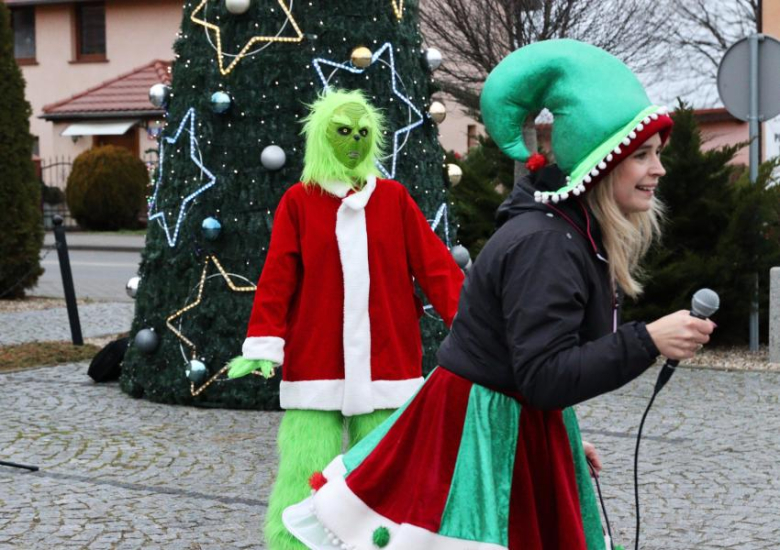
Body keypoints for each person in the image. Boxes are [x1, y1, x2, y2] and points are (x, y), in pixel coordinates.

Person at [282, 39, 715, 550]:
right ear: (602, 162)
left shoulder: (566, 233)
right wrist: (649, 340)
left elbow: (530, 361)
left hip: (507, 428)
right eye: (642, 155)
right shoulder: (548, 244)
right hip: (482, 439)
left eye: (657, 155)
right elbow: (544, 375)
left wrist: (564, 439)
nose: (658, 170)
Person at [226, 88, 464, 550]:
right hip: (315, 361)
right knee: (303, 465)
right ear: (321, 136)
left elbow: (437, 268)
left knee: (385, 470)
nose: (353, 141)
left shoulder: (393, 199)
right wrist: (263, 345)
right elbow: (277, 279)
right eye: (342, 132)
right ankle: (291, 542)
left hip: (388, 362)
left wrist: (477, 328)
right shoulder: (299, 201)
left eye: (362, 132)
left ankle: (386, 542)